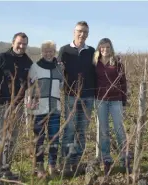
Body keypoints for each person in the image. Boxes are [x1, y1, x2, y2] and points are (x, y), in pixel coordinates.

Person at [0, 32, 33, 184]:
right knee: (0, 139)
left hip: (17, 106)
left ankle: (6, 169)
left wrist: (31, 95)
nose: (21, 46)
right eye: (19, 43)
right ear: (13, 43)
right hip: (0, 104)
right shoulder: (2, 58)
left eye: (24, 44)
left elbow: (31, 83)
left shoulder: (28, 62)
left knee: (12, 139)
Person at [57, 21, 96, 176]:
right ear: (74, 32)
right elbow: (59, 70)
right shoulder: (64, 50)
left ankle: (77, 162)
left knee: (82, 130)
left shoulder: (91, 51)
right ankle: (65, 162)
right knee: (70, 128)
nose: (82, 34)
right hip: (71, 95)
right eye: (80, 31)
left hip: (88, 96)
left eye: (85, 32)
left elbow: (97, 70)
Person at [93, 38, 131, 176]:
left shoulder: (117, 63)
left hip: (116, 101)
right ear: (99, 48)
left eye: (108, 47)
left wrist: (123, 101)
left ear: (111, 48)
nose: (105, 50)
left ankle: (125, 159)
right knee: (103, 131)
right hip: (100, 100)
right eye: (102, 47)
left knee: (119, 130)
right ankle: (106, 159)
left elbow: (123, 82)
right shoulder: (95, 63)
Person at [26, 41, 63, 179]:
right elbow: (28, 86)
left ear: (54, 52)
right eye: (46, 51)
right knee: (39, 139)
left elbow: (62, 85)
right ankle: (40, 166)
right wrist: (29, 102)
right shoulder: (34, 67)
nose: (48, 53)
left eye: (51, 51)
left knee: (54, 138)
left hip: (54, 108)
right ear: (42, 52)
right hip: (38, 109)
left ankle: (52, 166)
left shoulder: (59, 68)